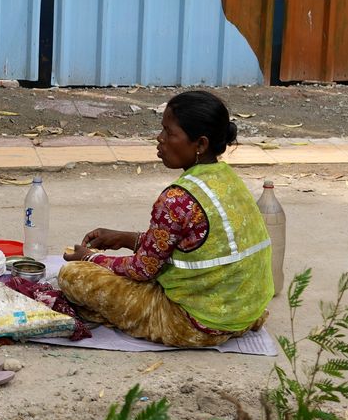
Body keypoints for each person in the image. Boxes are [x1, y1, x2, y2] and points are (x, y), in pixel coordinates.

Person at [59, 90, 273, 347]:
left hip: (193, 324)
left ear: (200, 144)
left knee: (73, 275)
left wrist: (89, 258)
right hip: (245, 314)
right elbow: (191, 243)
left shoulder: (176, 199)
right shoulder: (229, 181)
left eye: (169, 133)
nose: (160, 138)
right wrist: (125, 239)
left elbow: (142, 269)